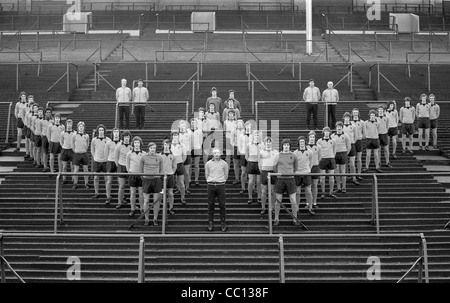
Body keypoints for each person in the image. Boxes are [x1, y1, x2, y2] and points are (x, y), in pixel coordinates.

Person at [273, 139, 300, 226]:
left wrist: (289, 173)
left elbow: (296, 168)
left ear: (290, 146)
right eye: (284, 145)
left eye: (288, 145)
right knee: (278, 200)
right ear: (282, 146)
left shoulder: (294, 156)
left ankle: (295, 219)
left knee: (293, 199)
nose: (286, 146)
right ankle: (276, 219)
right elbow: (274, 168)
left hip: (291, 179)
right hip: (280, 179)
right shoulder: (278, 156)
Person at [140, 142, 164, 226]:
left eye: (154, 148)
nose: (152, 149)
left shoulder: (159, 157)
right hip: (146, 180)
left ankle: (155, 219)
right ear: (148, 148)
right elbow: (140, 170)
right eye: (151, 148)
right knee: (146, 200)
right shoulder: (143, 157)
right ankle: (146, 219)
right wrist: (144, 177)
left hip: (156, 180)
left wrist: (158, 177)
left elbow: (161, 169)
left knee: (156, 201)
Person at [205, 148, 229, 232]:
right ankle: (210, 222)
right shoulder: (208, 163)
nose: (216, 154)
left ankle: (223, 222)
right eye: (215, 153)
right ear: (212, 154)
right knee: (210, 205)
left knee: (222, 205)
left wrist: (222, 180)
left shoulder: (224, 164)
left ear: (220, 154)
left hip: (221, 185)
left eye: (218, 153)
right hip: (211, 185)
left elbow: (226, 174)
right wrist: (210, 180)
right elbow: (207, 174)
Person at [293, 136, 314, 215]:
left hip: (306, 173)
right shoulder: (295, 153)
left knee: (308, 191)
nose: (302, 143)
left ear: (305, 142)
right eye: (300, 142)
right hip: (298, 174)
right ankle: (297, 208)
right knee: (297, 192)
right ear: (298, 143)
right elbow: (293, 163)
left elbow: (311, 162)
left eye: (303, 141)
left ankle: (310, 207)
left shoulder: (310, 152)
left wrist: (308, 169)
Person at [258, 136, 279, 215]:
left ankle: (272, 207)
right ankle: (263, 207)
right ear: (265, 143)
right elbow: (259, 164)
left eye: (270, 142)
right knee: (264, 191)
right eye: (267, 142)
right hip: (264, 172)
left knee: (273, 191)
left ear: (272, 143)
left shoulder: (276, 152)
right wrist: (262, 170)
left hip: (273, 172)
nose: (268, 143)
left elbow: (277, 163)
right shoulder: (261, 152)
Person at [126, 136, 145, 217]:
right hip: (132, 174)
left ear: (140, 143)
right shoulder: (129, 153)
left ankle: (141, 209)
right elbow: (127, 165)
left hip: (141, 175)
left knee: (141, 193)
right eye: (135, 142)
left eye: (138, 142)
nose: (136, 144)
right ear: (133, 144)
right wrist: (130, 172)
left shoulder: (144, 153)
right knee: (133, 193)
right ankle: (132, 209)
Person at [114, 130, 133, 209]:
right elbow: (116, 158)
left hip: (130, 167)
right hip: (121, 166)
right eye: (125, 137)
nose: (126, 139)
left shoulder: (132, 146)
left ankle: (133, 203)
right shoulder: (118, 146)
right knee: (121, 186)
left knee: (132, 187)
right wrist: (118, 166)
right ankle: (119, 201)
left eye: (128, 137)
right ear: (122, 138)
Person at [317, 126, 337, 199]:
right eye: (325, 132)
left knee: (331, 177)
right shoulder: (319, 141)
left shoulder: (333, 141)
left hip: (331, 159)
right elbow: (317, 150)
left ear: (329, 132)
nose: (326, 133)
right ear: (323, 133)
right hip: (323, 159)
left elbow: (334, 150)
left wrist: (332, 156)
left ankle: (331, 192)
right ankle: (323, 192)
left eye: (328, 131)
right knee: (322, 177)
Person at [91, 124, 110, 199]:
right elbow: (92, 150)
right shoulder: (94, 140)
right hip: (97, 161)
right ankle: (96, 192)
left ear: (104, 131)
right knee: (96, 177)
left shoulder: (108, 140)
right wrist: (95, 156)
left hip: (105, 161)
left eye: (102, 130)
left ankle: (107, 193)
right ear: (97, 131)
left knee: (106, 178)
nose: (101, 131)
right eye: (100, 130)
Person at [332, 122, 351, 193]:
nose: (339, 128)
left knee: (343, 171)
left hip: (343, 153)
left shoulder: (346, 136)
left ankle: (344, 187)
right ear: (336, 128)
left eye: (340, 126)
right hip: (336, 154)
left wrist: (346, 154)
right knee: (336, 171)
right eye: (338, 127)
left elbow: (349, 146)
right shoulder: (333, 136)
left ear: (342, 127)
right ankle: (338, 187)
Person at [71, 121, 90, 190]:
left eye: (82, 126)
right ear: (78, 127)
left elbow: (87, 144)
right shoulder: (74, 135)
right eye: (80, 126)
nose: (81, 127)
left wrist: (84, 149)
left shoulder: (86, 135)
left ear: (84, 128)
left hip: (84, 153)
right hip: (77, 153)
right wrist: (75, 150)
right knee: (76, 169)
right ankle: (75, 183)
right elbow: (72, 144)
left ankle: (86, 183)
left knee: (86, 169)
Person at [161, 139, 177, 215]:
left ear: (169, 146)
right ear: (163, 145)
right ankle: (162, 207)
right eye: (165, 145)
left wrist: (171, 173)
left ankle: (171, 208)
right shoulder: (159, 155)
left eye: (167, 145)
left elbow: (174, 166)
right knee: (161, 193)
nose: (166, 146)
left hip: (170, 176)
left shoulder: (173, 156)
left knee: (170, 193)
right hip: (162, 176)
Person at [104, 128, 120, 205]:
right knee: (109, 180)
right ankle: (108, 196)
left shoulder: (121, 143)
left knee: (120, 181)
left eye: (117, 132)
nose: (116, 133)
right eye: (115, 132)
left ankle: (121, 197)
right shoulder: (108, 143)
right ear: (112, 133)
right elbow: (106, 153)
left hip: (119, 162)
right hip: (110, 162)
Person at [342, 112, 359, 186]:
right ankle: (346, 176)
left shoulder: (354, 126)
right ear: (343, 118)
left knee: (352, 162)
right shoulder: (341, 126)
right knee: (344, 163)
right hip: (343, 146)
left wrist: (352, 143)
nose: (347, 119)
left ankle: (354, 177)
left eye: (348, 117)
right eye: (345, 117)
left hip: (352, 145)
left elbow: (356, 136)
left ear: (350, 118)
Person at [245, 130, 262, 204]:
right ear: (253, 136)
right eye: (255, 135)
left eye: (258, 135)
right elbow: (246, 156)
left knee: (258, 182)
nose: (256, 136)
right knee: (251, 181)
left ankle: (259, 196)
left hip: (259, 163)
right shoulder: (249, 145)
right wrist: (250, 160)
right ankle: (250, 197)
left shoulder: (262, 144)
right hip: (251, 163)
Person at [307, 131, 322, 209]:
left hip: (315, 167)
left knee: (315, 185)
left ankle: (314, 202)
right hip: (308, 168)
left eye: (313, 137)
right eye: (310, 137)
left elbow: (320, 157)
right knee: (308, 186)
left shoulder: (318, 147)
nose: (312, 138)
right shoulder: (306, 147)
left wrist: (315, 163)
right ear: (308, 137)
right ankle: (308, 202)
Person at [171, 132, 187, 204]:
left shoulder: (182, 145)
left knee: (181, 182)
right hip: (171, 165)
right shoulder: (169, 145)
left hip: (179, 164)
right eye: (174, 135)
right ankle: (170, 198)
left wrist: (181, 161)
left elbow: (185, 155)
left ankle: (183, 197)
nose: (175, 136)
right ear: (172, 136)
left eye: (176, 135)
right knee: (170, 181)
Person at [237, 120, 252, 195]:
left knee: (252, 173)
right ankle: (243, 187)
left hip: (252, 156)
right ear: (245, 127)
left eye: (249, 126)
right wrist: (242, 152)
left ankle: (253, 188)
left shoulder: (254, 135)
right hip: (243, 154)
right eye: (247, 126)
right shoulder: (241, 136)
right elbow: (239, 146)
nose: (248, 127)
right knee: (243, 173)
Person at [179, 120, 193, 194]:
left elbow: (192, 142)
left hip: (187, 153)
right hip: (179, 154)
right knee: (178, 173)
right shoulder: (177, 134)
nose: (182, 127)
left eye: (184, 125)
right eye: (181, 125)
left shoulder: (189, 133)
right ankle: (179, 188)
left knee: (186, 172)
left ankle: (187, 187)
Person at [351, 108, 365, 180]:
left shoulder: (362, 122)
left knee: (359, 159)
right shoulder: (350, 122)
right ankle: (351, 174)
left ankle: (359, 173)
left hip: (359, 141)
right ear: (352, 114)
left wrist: (360, 137)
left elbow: (364, 133)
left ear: (358, 113)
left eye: (356, 112)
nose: (355, 114)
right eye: (354, 112)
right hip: (352, 142)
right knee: (351, 160)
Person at [60, 118, 75, 184]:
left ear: (72, 125)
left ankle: (73, 179)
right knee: (64, 166)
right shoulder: (62, 133)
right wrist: (64, 146)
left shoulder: (75, 133)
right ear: (66, 124)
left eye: (70, 124)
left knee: (72, 166)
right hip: (65, 150)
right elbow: (61, 142)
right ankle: (64, 179)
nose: (69, 125)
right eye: (68, 123)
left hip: (72, 150)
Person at [190, 118, 203, 186]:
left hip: (197, 148)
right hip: (189, 149)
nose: (193, 124)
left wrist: (198, 147)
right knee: (189, 165)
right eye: (192, 123)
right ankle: (189, 179)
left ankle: (196, 179)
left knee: (196, 164)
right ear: (190, 123)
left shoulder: (200, 131)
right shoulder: (188, 131)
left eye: (194, 123)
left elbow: (201, 141)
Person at [40, 107, 53, 172]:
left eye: (49, 112)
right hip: (44, 137)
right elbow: (39, 129)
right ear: (45, 113)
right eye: (47, 112)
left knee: (51, 152)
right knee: (45, 152)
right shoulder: (42, 121)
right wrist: (42, 135)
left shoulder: (52, 121)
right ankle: (45, 166)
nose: (48, 114)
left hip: (51, 138)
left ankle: (51, 167)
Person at [22, 96, 34, 160]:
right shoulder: (25, 108)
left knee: (31, 141)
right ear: (27, 100)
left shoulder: (35, 107)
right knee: (26, 140)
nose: (31, 100)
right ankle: (27, 152)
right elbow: (23, 116)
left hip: (32, 126)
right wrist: (25, 123)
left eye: (32, 99)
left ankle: (32, 154)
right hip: (26, 125)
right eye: (29, 99)